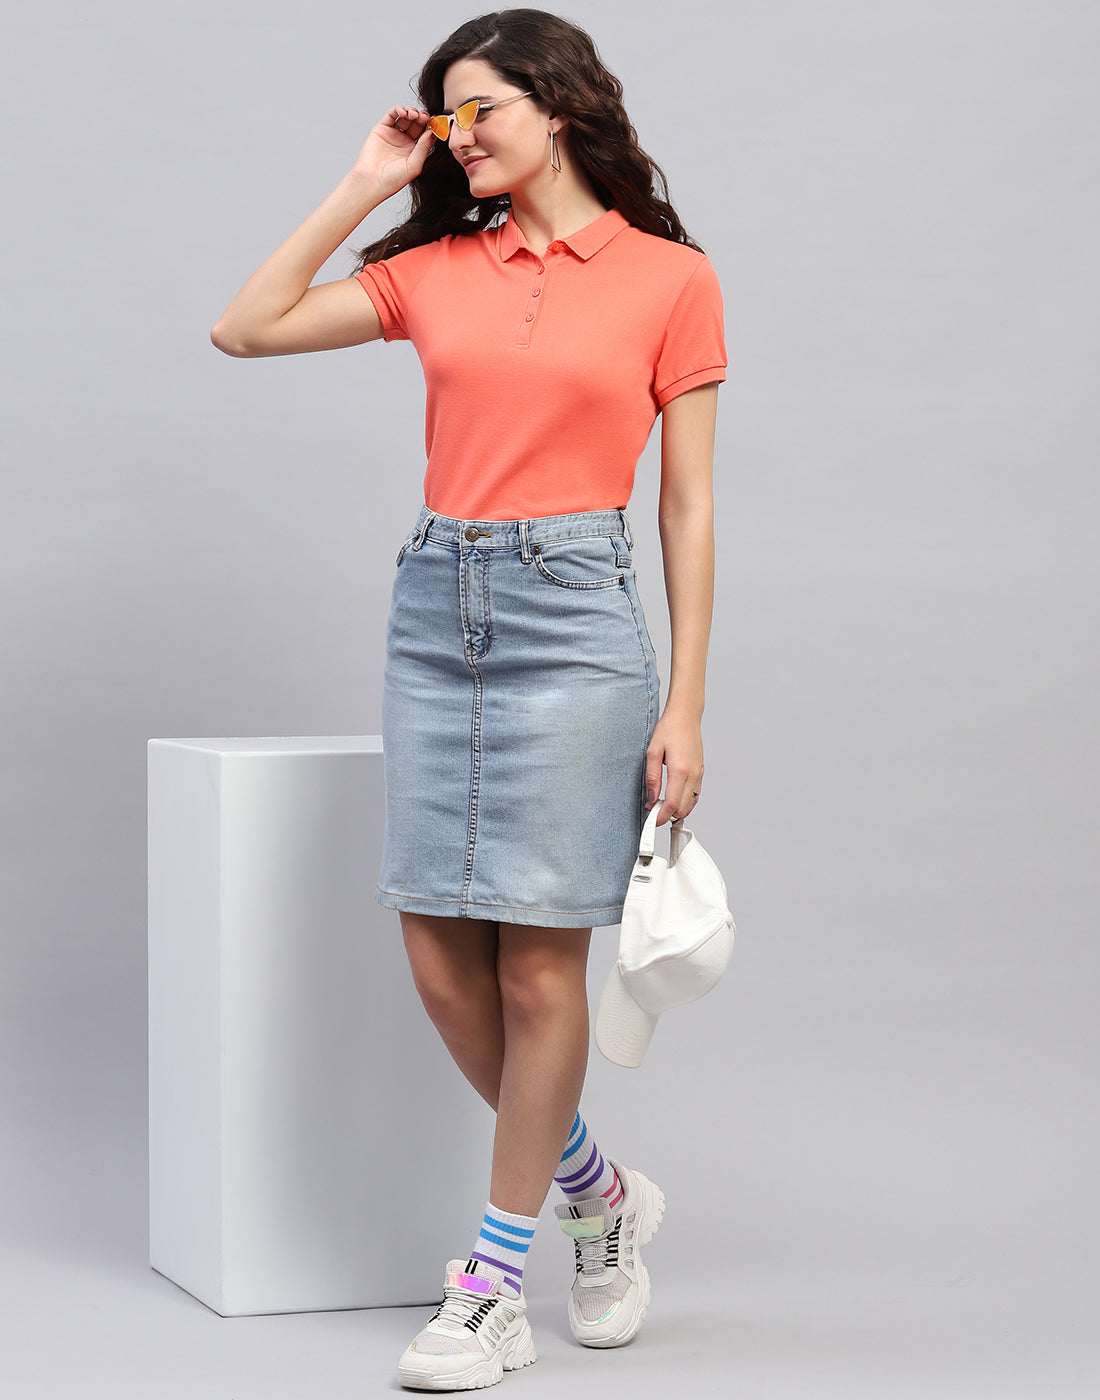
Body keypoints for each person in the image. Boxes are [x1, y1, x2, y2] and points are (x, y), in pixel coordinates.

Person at [211, 7, 725, 1391]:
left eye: (481, 105)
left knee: (538, 967)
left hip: (577, 613)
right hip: (438, 613)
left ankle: (493, 1283)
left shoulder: (670, 277)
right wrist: (366, 181)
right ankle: (600, 1195)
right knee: (442, 967)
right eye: (445, 112)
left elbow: (686, 507)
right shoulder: (438, 266)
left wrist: (686, 703)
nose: (459, 132)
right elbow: (244, 328)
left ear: (561, 107)